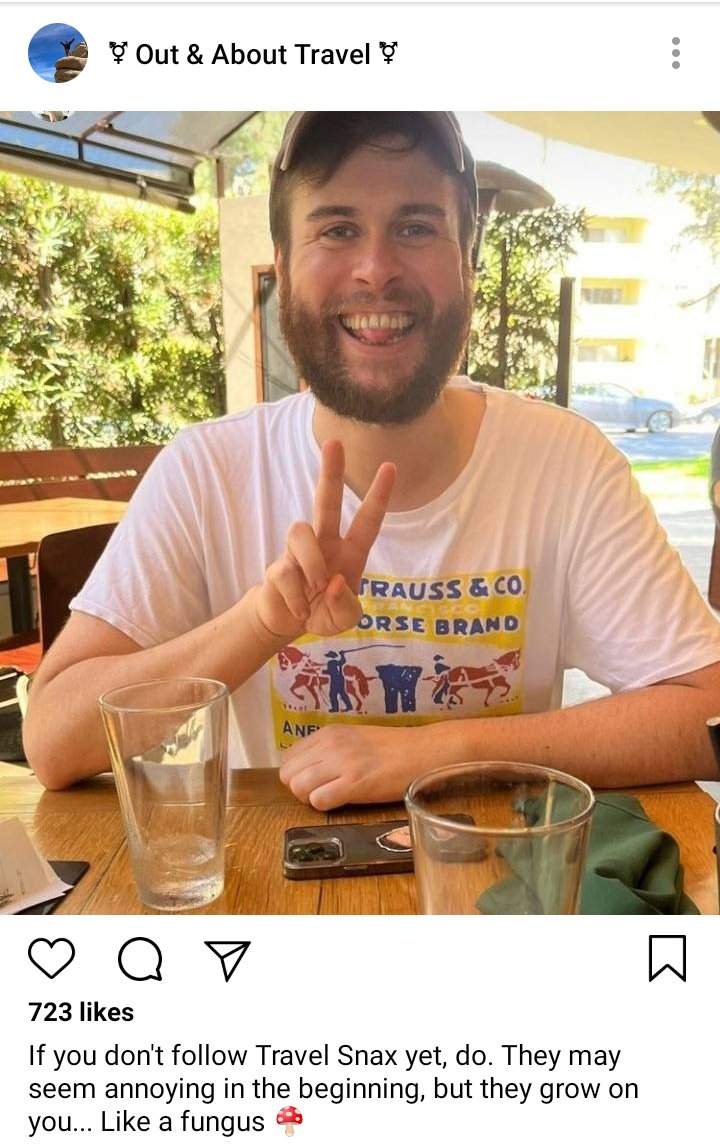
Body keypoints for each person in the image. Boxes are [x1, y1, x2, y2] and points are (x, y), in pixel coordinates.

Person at [24, 111, 720, 805]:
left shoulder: (566, 463)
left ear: (467, 257)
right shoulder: (209, 470)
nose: (376, 269)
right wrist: (261, 623)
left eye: (416, 226)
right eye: (336, 228)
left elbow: (707, 710)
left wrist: (436, 754)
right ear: (284, 261)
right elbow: (54, 741)